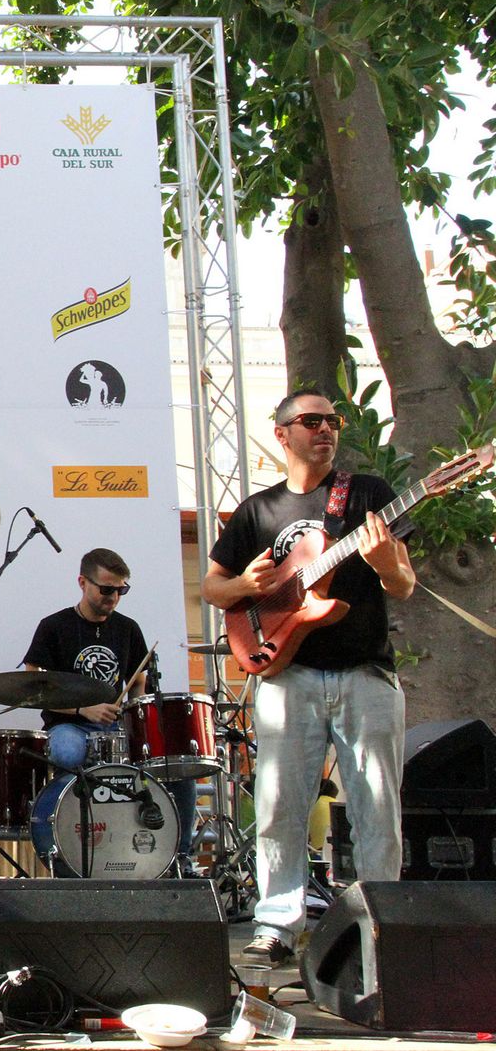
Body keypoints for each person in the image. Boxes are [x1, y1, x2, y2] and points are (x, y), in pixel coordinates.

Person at [202, 390, 414, 965]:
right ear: (283, 434)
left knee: (377, 808)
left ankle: (378, 926)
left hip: (365, 672)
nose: (325, 429)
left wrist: (383, 562)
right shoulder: (258, 510)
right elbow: (212, 588)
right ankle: (277, 926)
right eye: (311, 421)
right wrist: (248, 586)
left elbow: (403, 586)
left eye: (333, 421)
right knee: (278, 807)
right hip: (288, 676)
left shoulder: (368, 494)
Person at [24, 548, 198, 872]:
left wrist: (134, 722)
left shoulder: (128, 629)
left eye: (121, 590)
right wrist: (82, 709)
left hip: (116, 729)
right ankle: (64, 851)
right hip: (69, 726)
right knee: (66, 752)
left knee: (177, 766)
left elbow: (138, 685)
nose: (114, 597)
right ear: (82, 582)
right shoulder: (53, 627)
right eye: (106, 589)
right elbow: (31, 686)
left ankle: (179, 859)